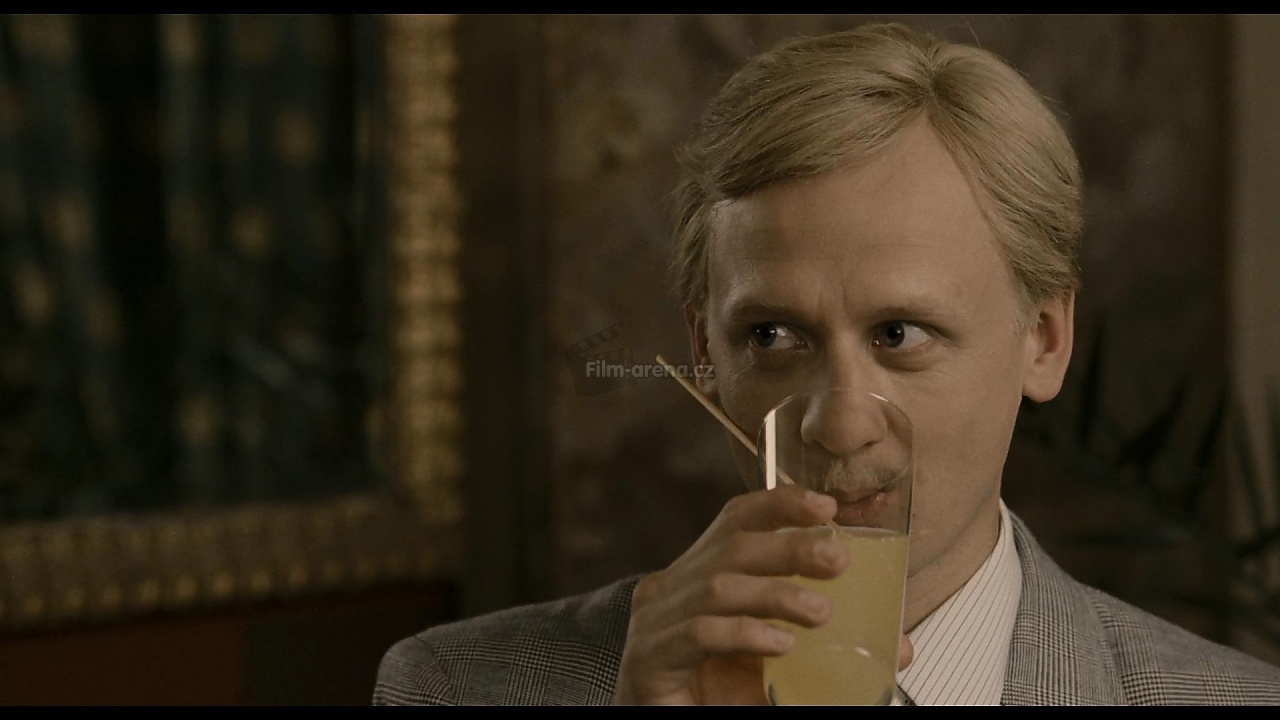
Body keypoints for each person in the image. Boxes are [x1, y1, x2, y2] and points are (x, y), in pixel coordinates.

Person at [373, 22, 1280, 705]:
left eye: (900, 335)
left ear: (1044, 338)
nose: (839, 424)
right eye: (773, 337)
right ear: (703, 352)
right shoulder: (455, 687)